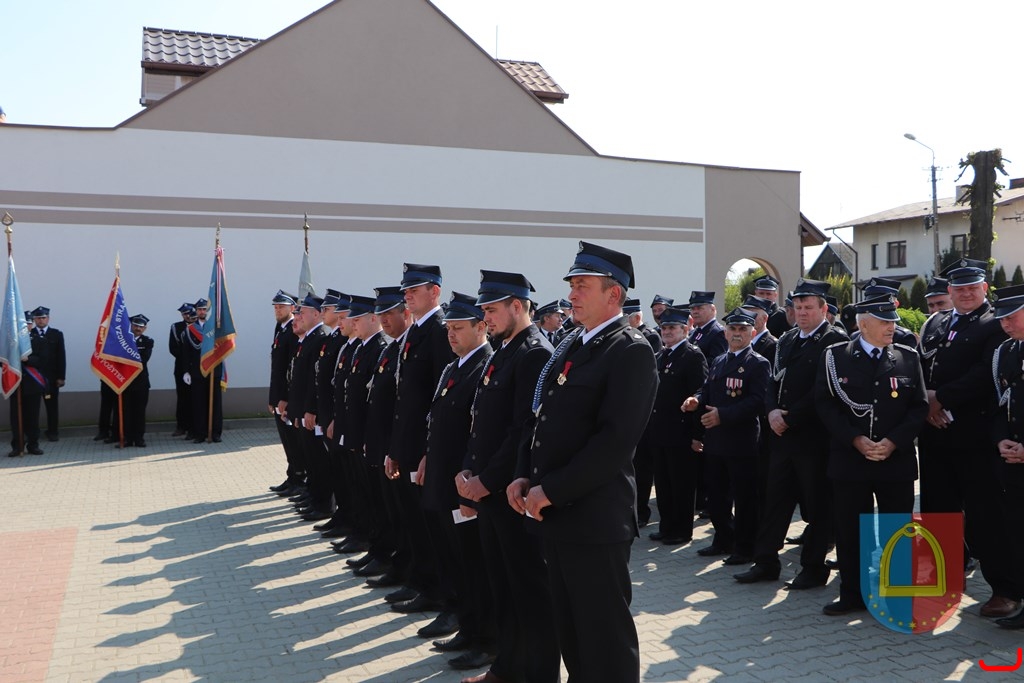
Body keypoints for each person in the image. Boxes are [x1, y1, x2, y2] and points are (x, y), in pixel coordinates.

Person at [508, 241, 658, 683]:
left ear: (614, 294)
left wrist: (550, 490)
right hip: (556, 515)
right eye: (572, 285)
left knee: (604, 642)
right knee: (573, 637)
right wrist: (522, 475)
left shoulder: (629, 350)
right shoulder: (574, 343)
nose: (571, 295)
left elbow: (614, 444)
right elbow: (540, 416)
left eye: (582, 286)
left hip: (594, 520)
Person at [455, 270, 558, 683]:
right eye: (484, 310)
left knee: (530, 591)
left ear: (518, 306)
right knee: (503, 587)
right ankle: (507, 667)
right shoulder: (504, 350)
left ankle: (539, 675)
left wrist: (487, 480)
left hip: (510, 494)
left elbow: (522, 431)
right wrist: (469, 468)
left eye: (492, 310)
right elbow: (480, 419)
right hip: (489, 493)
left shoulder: (533, 353)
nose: (486, 317)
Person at [815, 295, 927, 615]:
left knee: (897, 530)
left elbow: (918, 407)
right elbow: (825, 404)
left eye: (893, 321)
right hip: (851, 460)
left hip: (895, 460)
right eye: (885, 322)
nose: (892, 327)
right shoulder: (835, 357)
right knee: (852, 530)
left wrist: (892, 442)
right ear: (863, 325)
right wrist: (855, 439)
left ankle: (898, 597)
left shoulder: (907, 357)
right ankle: (854, 594)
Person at [916, 259, 1015, 617]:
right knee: (938, 510)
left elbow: (985, 374)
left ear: (984, 288)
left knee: (985, 515)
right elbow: (920, 366)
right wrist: (925, 401)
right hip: (935, 433)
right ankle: (946, 577)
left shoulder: (994, 323)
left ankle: (1004, 589)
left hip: (974, 436)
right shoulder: (937, 322)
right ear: (950, 291)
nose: (966, 294)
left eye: (973, 287)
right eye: (959, 289)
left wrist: (940, 398)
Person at [734, 278, 848, 589]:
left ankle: (813, 568)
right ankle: (766, 562)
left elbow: (826, 389)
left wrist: (790, 417)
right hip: (782, 435)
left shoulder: (834, 340)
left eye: (808, 307)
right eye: (797, 307)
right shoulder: (788, 339)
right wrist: (772, 411)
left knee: (817, 503)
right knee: (775, 500)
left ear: (823, 309)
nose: (802, 312)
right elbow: (773, 381)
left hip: (813, 437)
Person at [421, 292, 495, 671]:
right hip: (443, 481)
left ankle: (485, 639)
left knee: (475, 567)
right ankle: (467, 626)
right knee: (455, 561)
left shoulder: (485, 367)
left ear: (481, 327)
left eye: (458, 328)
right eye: (448, 328)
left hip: (464, 488)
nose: (450, 334)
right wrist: (427, 457)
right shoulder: (454, 366)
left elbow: (478, 434)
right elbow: (439, 420)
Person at [386, 263, 453, 616]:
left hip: (424, 449)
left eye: (415, 290)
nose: (408, 296)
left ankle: (437, 592)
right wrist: (396, 449)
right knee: (415, 522)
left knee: (432, 529)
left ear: (435, 292)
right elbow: (405, 398)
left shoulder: (440, 331)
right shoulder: (415, 331)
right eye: (406, 291)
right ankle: (421, 582)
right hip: (408, 445)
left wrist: (429, 451)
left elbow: (439, 399)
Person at [685, 309, 769, 565]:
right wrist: (696, 399)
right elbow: (707, 389)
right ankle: (723, 539)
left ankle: (745, 548)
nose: (737, 334)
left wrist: (723, 415)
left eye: (743, 329)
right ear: (725, 333)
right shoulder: (720, 360)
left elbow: (758, 401)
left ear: (752, 333)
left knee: (744, 498)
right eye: (733, 329)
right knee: (717, 496)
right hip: (715, 440)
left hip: (741, 441)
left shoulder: (758, 363)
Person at [647, 306, 707, 545]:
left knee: (681, 484)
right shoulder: (661, 355)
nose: (667, 332)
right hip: (660, 431)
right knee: (663, 483)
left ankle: (681, 530)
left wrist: (697, 435)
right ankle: (667, 526)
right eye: (664, 328)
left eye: (672, 327)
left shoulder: (692, 356)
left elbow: (700, 394)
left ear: (685, 329)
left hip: (681, 432)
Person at [988, 284, 1024, 628]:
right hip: (1013, 460)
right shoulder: (1006, 352)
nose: (1004, 323)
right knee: (1016, 532)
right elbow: (1001, 404)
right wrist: (1001, 439)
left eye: (1011, 317)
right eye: (1000, 318)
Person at [626, 297, 662, 527]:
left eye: (626, 318)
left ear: (637, 317)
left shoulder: (650, 337)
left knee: (643, 467)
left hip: (644, 410)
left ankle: (641, 511)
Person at [268, 291, 303, 496]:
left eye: (281, 307)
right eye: (275, 307)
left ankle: (298, 478)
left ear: (292, 308)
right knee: (287, 442)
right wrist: (272, 398)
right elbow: (276, 368)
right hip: (278, 396)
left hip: (286, 398)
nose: (277, 310)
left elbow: (290, 369)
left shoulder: (293, 330)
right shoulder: (280, 329)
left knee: (293, 442)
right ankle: (292, 477)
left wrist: (284, 398)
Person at [8, 328, 47, 457]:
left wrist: (27, 359)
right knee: (16, 418)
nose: (26, 326)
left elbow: (43, 359)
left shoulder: (38, 340)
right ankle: (17, 446)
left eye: (29, 323)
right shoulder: (11, 341)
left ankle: (33, 445)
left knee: (32, 418)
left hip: (32, 385)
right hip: (15, 385)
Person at [30, 306, 65, 442]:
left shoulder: (56, 334)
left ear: (48, 318)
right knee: (32, 408)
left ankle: (53, 432)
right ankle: (32, 433)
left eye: (43, 318)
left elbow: (61, 356)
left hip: (51, 378)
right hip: (33, 377)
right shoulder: (29, 334)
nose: (41, 320)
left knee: (52, 406)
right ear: (34, 320)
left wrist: (61, 377)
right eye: (38, 318)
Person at [121, 315, 154, 447]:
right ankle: (127, 438)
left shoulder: (148, 341)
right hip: (125, 381)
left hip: (141, 382)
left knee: (139, 411)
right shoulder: (123, 340)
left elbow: (144, 358)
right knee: (126, 411)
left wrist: (127, 356)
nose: (138, 328)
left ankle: (139, 438)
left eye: (141, 327)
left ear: (145, 328)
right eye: (135, 325)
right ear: (131, 326)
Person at [169, 303, 194, 437]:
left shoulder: (200, 326)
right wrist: (187, 358)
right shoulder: (176, 327)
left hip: (197, 367)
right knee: (183, 397)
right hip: (181, 367)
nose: (187, 316)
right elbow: (173, 348)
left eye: (189, 313)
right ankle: (181, 426)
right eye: (184, 314)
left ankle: (195, 426)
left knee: (196, 397)